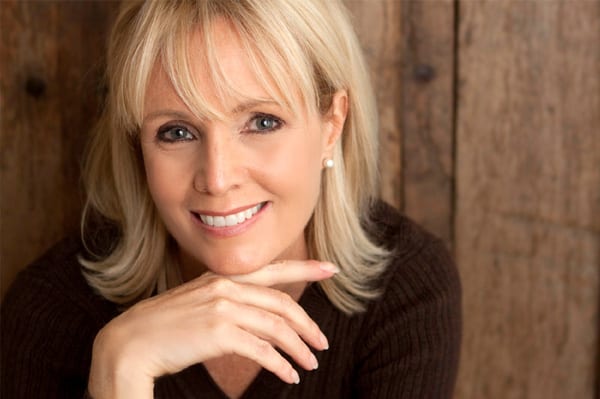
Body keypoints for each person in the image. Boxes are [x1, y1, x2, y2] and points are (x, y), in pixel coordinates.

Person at [1, 0, 461, 398]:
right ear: (137, 148)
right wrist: (119, 376)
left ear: (332, 125)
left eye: (262, 122)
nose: (218, 179)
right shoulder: (49, 314)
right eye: (176, 132)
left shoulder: (404, 290)